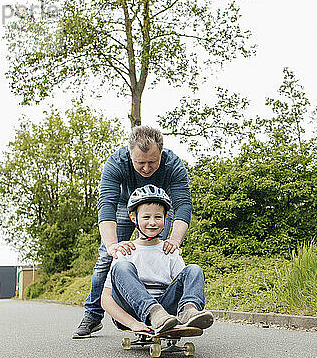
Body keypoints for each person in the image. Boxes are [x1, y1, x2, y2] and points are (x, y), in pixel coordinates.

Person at [73, 126, 193, 338]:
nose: (146, 169)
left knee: (161, 254)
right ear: (130, 155)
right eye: (140, 163)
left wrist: (174, 240)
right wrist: (111, 245)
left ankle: (158, 313)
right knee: (105, 259)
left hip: (157, 209)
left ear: (161, 154)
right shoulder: (116, 163)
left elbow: (183, 203)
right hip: (124, 207)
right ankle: (92, 315)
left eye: (152, 162)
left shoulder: (173, 165)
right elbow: (106, 203)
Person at [101, 185, 213, 333]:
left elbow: (184, 284)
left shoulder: (170, 251)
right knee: (122, 267)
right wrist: (133, 324)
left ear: (165, 218)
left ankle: (189, 311)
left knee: (194, 269)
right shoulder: (125, 251)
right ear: (134, 218)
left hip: (166, 313)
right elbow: (106, 299)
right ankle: (153, 312)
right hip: (133, 312)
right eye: (146, 217)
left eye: (158, 217)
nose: (152, 222)